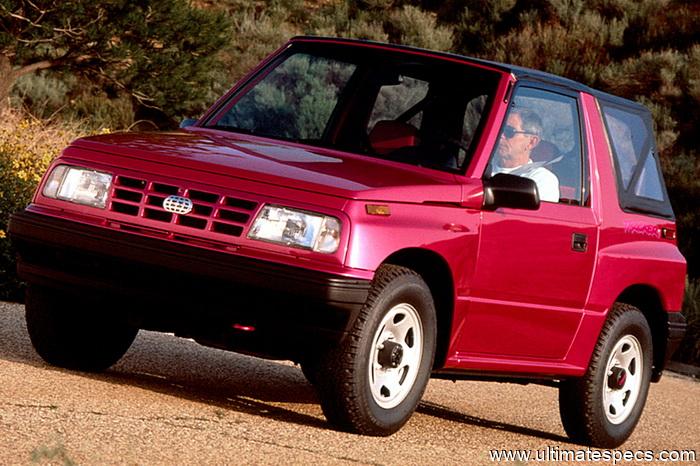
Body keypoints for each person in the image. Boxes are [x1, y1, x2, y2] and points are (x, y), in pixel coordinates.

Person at [489, 108, 560, 203]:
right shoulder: (481, 167)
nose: (501, 135)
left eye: (509, 131)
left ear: (531, 142)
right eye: (500, 129)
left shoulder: (542, 180)